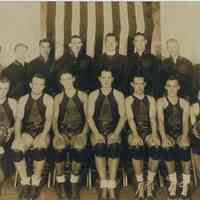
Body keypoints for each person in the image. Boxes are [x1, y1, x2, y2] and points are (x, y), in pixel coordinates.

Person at [11, 74, 53, 200]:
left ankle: (35, 182)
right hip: (28, 132)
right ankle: (25, 181)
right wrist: (18, 137)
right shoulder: (23, 99)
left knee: (39, 149)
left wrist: (43, 135)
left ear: (44, 86)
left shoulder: (48, 99)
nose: (38, 87)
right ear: (30, 85)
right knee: (16, 150)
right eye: (35, 84)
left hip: (43, 131)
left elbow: (49, 120)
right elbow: (18, 120)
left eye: (41, 84)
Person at [88, 69, 126, 200]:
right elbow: (89, 117)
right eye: (103, 77)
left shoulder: (119, 95)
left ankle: (111, 185)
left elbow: (123, 117)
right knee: (99, 147)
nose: (106, 80)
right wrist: (97, 134)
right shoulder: (93, 95)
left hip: (113, 130)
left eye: (109, 77)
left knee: (114, 148)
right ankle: (104, 185)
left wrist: (115, 134)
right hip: (97, 130)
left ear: (112, 79)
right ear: (99, 79)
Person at [52, 70, 88, 200]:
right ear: (61, 82)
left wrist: (83, 134)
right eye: (63, 80)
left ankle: (73, 183)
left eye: (68, 79)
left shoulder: (83, 96)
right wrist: (56, 134)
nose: (66, 82)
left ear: (73, 79)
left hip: (78, 131)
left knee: (79, 148)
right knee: (59, 149)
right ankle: (61, 184)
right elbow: (55, 119)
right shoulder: (58, 98)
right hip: (62, 131)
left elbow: (88, 117)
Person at [125, 73, 160, 200]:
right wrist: (135, 135)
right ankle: (140, 184)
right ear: (132, 85)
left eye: (141, 84)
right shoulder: (128, 99)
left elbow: (152, 118)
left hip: (148, 130)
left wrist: (155, 135)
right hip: (133, 130)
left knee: (156, 147)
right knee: (136, 147)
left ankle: (149, 183)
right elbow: (130, 119)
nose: (139, 87)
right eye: (136, 84)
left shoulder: (150, 99)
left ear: (144, 85)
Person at [157, 76, 191, 200]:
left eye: (174, 86)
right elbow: (160, 121)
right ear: (166, 87)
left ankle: (186, 185)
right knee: (166, 147)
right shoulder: (160, 101)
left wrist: (184, 136)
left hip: (180, 132)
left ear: (178, 87)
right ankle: (173, 182)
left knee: (185, 147)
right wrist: (164, 137)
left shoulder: (184, 103)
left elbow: (185, 123)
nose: (172, 89)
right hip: (167, 133)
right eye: (169, 86)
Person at [160, 38, 196, 103]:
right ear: (167, 48)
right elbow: (161, 81)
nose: (172, 49)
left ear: (178, 47)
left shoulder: (187, 62)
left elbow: (192, 82)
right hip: (169, 96)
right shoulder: (164, 63)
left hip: (184, 95)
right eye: (169, 47)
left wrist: (192, 99)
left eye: (174, 47)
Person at [128, 32, 161, 98]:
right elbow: (127, 79)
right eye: (137, 41)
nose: (139, 43)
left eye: (141, 41)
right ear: (134, 43)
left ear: (145, 42)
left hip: (149, 93)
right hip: (132, 94)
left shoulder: (153, 58)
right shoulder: (128, 59)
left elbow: (157, 79)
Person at [0, 76, 17, 192]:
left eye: (6, 89)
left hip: (8, 138)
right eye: (0, 88)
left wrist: (11, 130)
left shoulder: (12, 102)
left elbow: (18, 123)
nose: (2, 91)